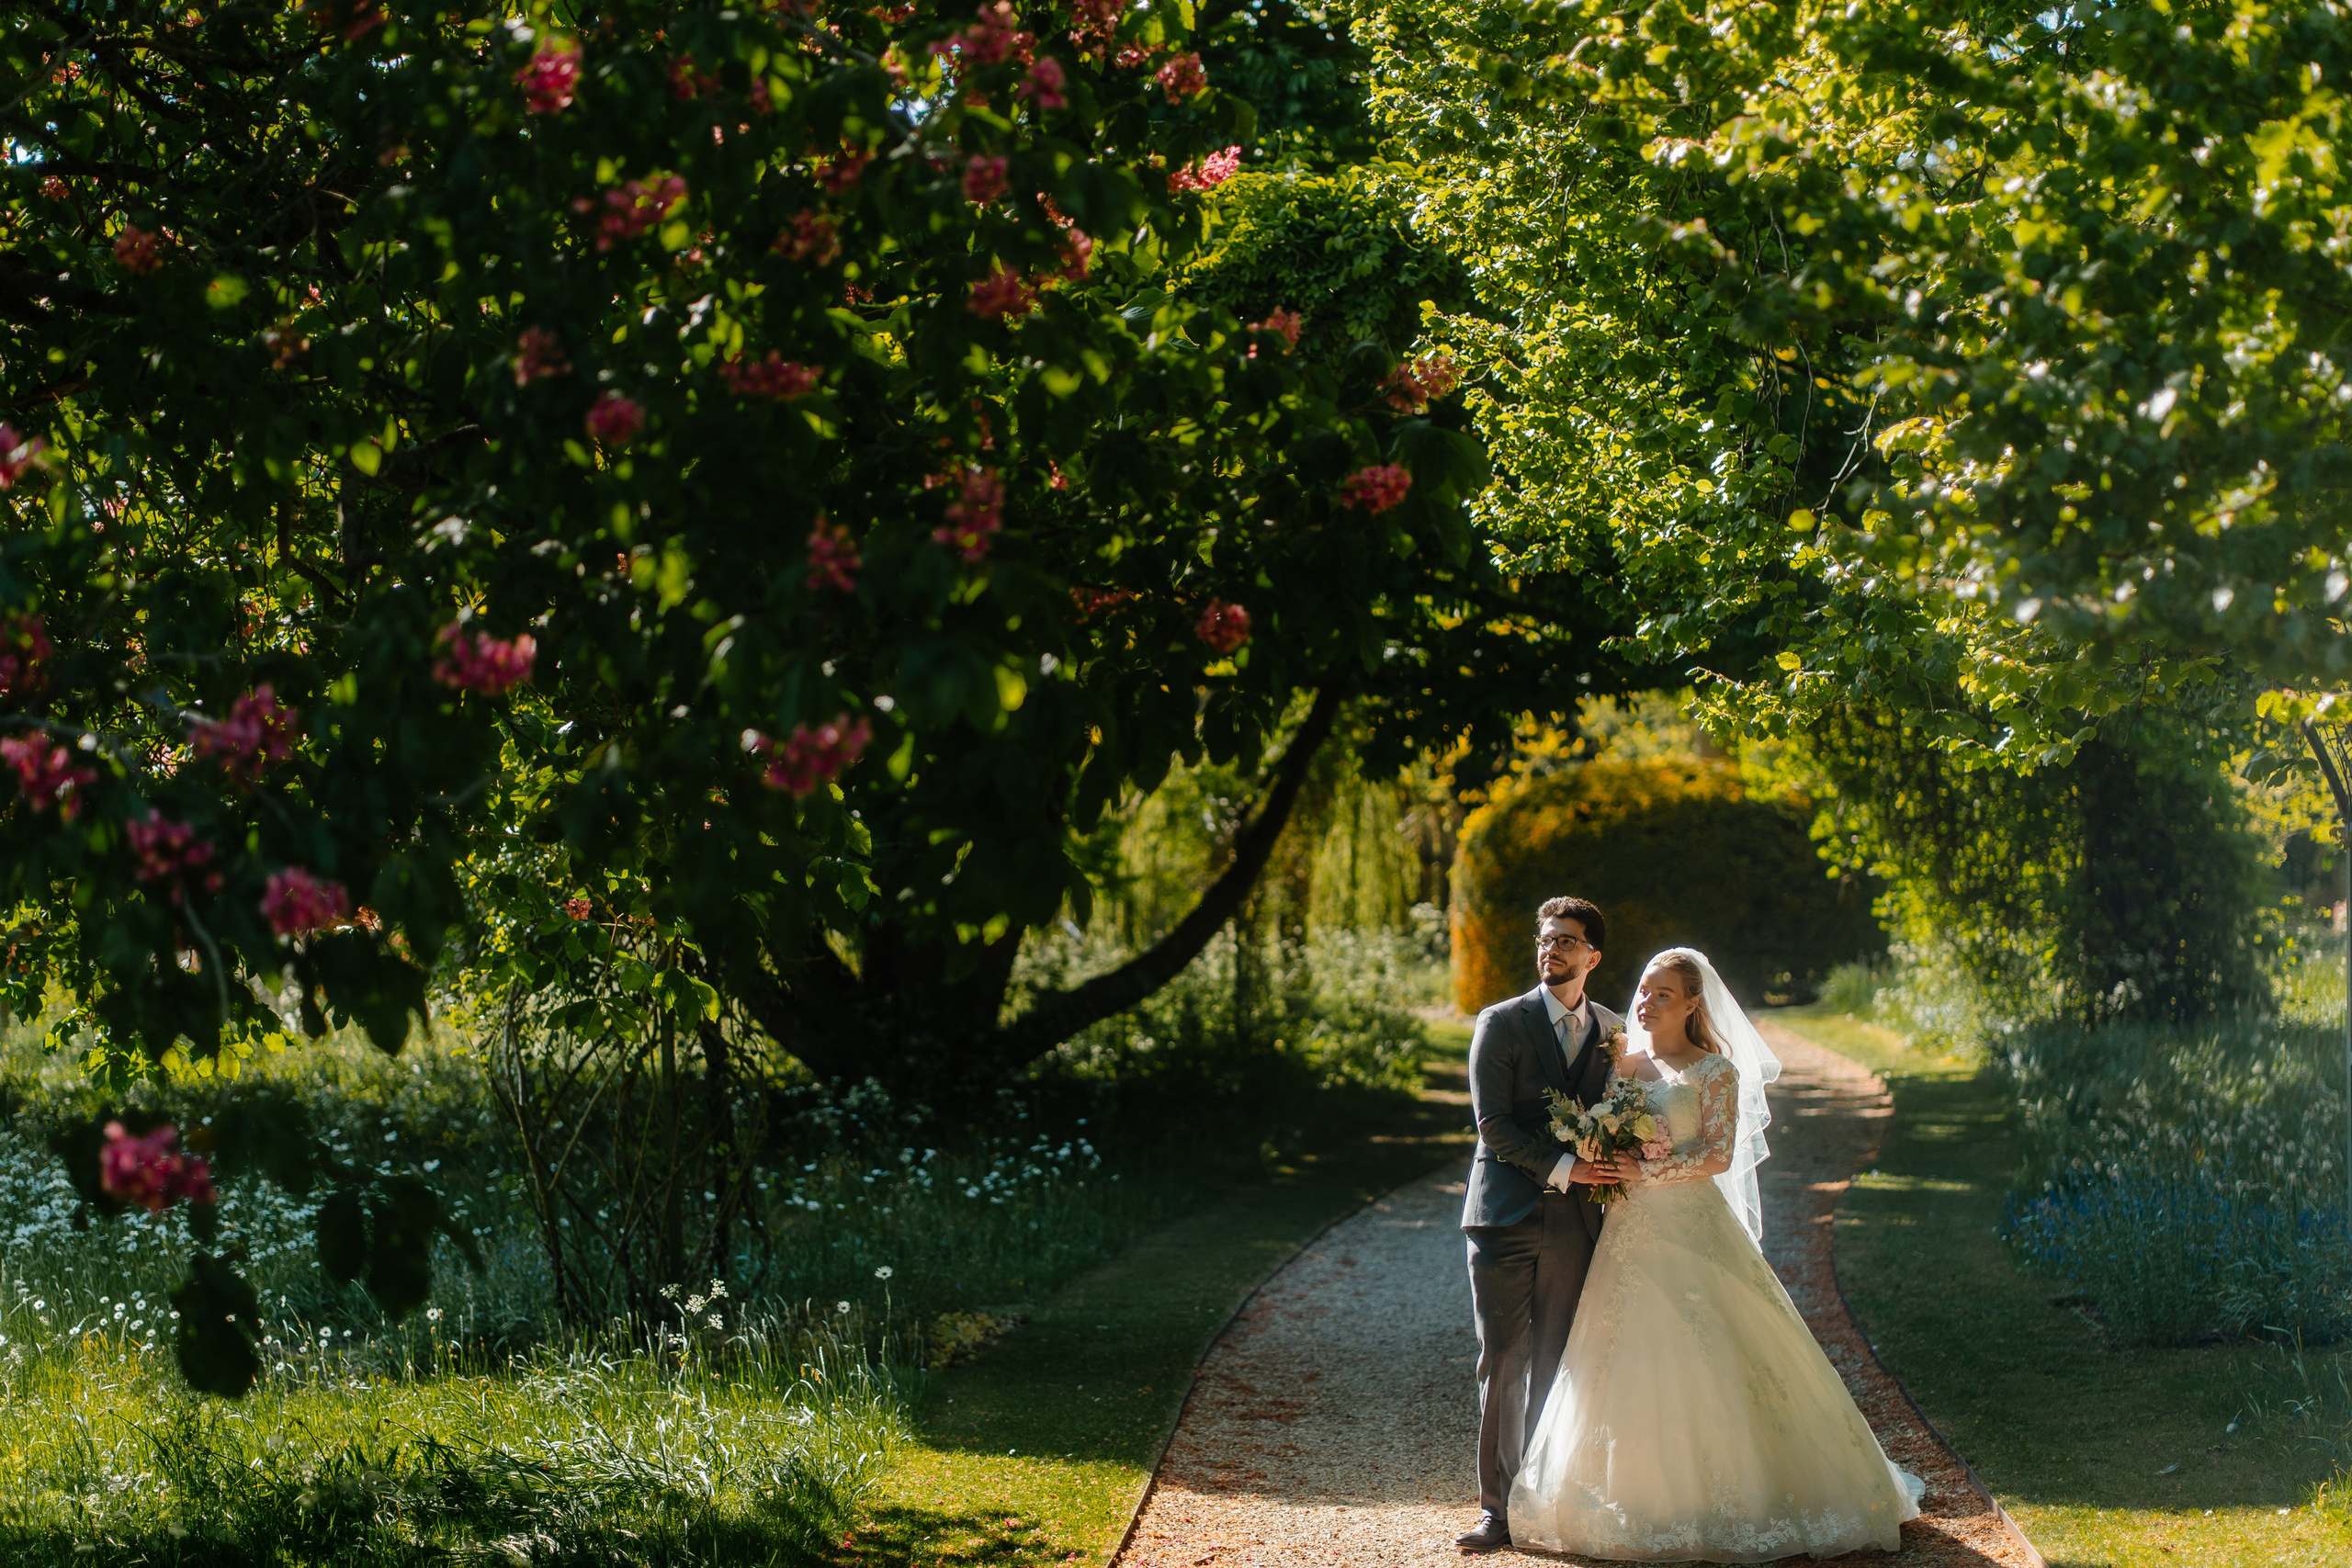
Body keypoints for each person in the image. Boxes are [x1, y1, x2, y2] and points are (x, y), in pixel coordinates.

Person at [1508, 948, 1925, 1562]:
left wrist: (1646, 1170)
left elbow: (1717, 1155)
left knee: (1717, 1344)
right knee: (1622, 1350)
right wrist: (1602, 1152)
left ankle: (1749, 1495)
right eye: (1644, 991)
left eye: (1663, 994)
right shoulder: (1621, 1066)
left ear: (1692, 1003)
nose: (1647, 1003)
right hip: (1629, 1231)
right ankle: (1630, 1499)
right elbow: (1599, 1133)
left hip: (1693, 1225)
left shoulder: (1714, 1071)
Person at [1456, 896, 1623, 1555]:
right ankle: (1496, 1511)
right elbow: (1493, 1125)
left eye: (1566, 940)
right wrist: (1565, 1167)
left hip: (1579, 1225)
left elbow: (1627, 1110)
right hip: (1505, 1215)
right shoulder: (1501, 1022)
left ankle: (1543, 1502)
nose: (1551, 949)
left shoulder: (1614, 1031)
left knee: (1558, 1361)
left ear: (1593, 957)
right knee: (1503, 1359)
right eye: (1546, 939)